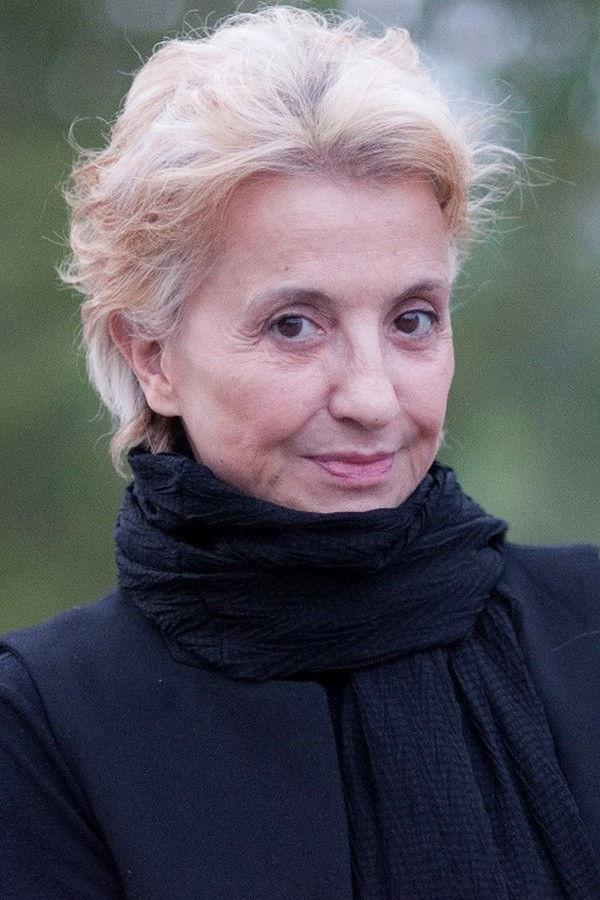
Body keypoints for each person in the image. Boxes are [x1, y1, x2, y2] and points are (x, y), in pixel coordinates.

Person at [1, 5, 599, 898]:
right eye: (294, 325)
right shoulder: (44, 726)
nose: (372, 398)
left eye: (412, 320)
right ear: (153, 357)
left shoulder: (587, 629)